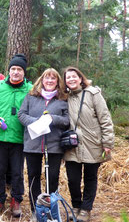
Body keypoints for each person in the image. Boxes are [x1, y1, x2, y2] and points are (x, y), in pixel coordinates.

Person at [63, 67, 114, 222]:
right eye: (67, 77)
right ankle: (76, 206)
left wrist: (107, 142)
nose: (71, 79)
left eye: (74, 76)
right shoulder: (64, 97)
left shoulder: (93, 94)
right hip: (72, 144)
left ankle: (86, 209)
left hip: (93, 143)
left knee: (90, 177)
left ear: (80, 78)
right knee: (73, 179)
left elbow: (105, 118)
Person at [0, 53, 33, 218]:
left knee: (17, 172)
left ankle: (16, 200)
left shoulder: (31, 89)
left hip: (20, 138)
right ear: (9, 70)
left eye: (19, 69)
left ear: (24, 72)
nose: (16, 72)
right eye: (13, 68)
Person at [18, 68, 69, 219]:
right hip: (32, 145)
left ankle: (51, 210)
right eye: (47, 78)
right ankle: (36, 210)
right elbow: (21, 114)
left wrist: (53, 118)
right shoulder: (31, 96)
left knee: (52, 178)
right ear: (42, 80)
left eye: (53, 79)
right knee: (33, 178)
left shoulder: (62, 99)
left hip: (54, 146)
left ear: (57, 82)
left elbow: (67, 120)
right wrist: (36, 122)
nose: (50, 81)